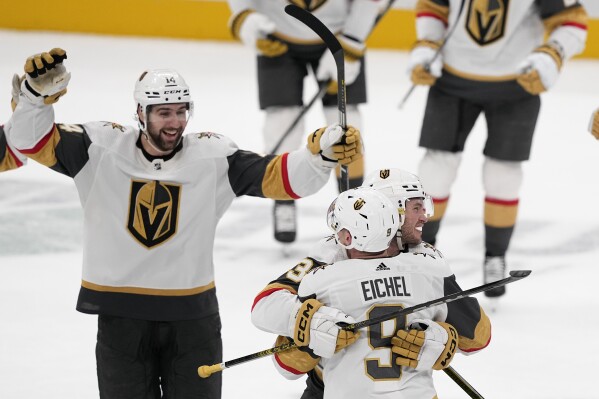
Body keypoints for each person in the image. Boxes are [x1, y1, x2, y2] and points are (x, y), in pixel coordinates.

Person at [8, 47, 363, 398]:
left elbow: (281, 177)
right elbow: (29, 141)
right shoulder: (99, 149)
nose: (175, 122)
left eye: (181, 111)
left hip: (193, 322)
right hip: (121, 321)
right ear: (140, 112)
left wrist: (319, 158)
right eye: (163, 112)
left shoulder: (212, 157)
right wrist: (34, 99)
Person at [251, 169, 490, 398]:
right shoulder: (331, 253)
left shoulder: (425, 259)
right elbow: (266, 305)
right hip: (329, 386)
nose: (425, 216)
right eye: (415, 207)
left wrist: (444, 339)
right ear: (389, 212)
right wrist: (311, 322)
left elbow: (478, 337)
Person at [408, 0, 588, 297]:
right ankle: (421, 251)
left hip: (516, 84)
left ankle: (495, 255)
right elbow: (433, 6)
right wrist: (427, 44)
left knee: (503, 174)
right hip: (452, 80)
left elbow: (572, 19)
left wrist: (553, 53)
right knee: (435, 170)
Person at [226, 0, 382, 243]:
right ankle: (283, 199)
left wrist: (352, 39)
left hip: (337, 37)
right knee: (281, 122)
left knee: (346, 125)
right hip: (277, 35)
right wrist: (244, 16)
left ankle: (353, 202)